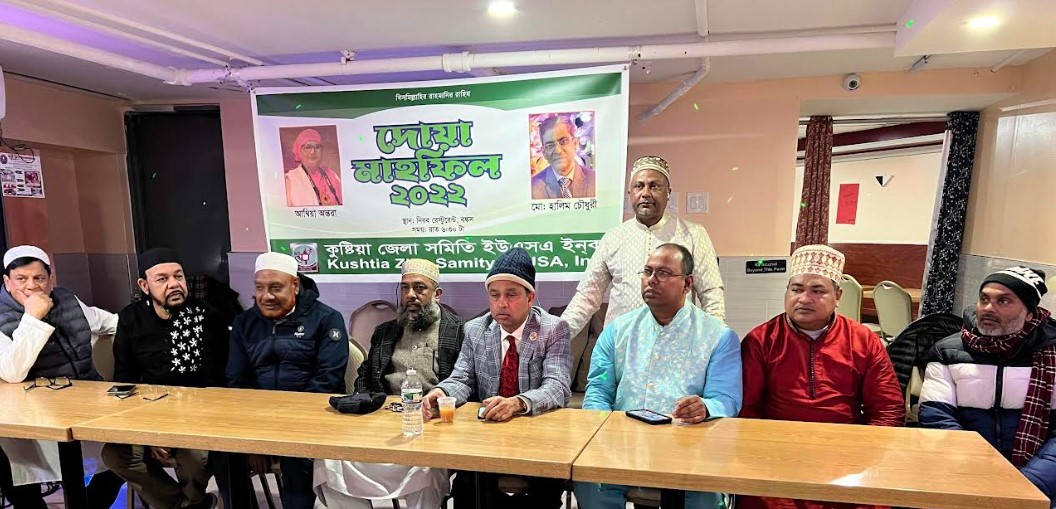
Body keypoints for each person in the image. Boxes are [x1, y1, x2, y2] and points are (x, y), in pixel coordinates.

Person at [574, 243, 742, 509]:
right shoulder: (617, 331)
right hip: (623, 443)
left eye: (663, 273)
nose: (651, 280)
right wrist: (601, 430)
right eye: (647, 271)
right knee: (589, 479)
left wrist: (705, 407)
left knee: (704, 495)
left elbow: (726, 399)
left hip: (688, 447)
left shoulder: (718, 336)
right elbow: (598, 390)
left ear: (688, 284)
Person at [739, 244, 904, 509]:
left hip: (847, 455)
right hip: (777, 455)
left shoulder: (863, 340)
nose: (804, 299)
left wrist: (862, 458)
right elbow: (746, 412)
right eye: (796, 289)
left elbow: (888, 410)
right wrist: (767, 459)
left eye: (817, 291)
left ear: (837, 296)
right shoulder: (761, 340)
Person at [421, 247, 572, 509]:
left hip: (538, 435)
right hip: (487, 433)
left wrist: (518, 402)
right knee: (467, 489)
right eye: (495, 295)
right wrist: (442, 392)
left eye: (511, 294)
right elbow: (462, 378)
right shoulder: (476, 329)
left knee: (546, 489)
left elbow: (557, 386)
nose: (502, 303)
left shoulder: (553, 329)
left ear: (530, 297)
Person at [314, 259, 466, 508]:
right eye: (405, 288)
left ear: (437, 294)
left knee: (425, 468)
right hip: (383, 418)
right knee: (330, 460)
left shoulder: (458, 331)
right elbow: (365, 375)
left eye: (419, 288)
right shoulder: (385, 331)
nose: (410, 295)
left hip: (430, 422)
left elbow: (463, 381)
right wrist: (366, 404)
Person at [102, 248, 230, 509]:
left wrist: (183, 428)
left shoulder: (207, 316)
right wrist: (150, 432)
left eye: (178, 276)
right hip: (150, 412)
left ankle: (190, 502)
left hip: (199, 415)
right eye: (162, 279)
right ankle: (188, 505)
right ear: (144, 285)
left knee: (196, 458)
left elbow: (220, 382)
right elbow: (125, 381)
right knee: (115, 454)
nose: (174, 284)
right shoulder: (130, 318)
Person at [0, 245, 125, 509]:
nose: (31, 286)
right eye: (21, 279)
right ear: (7, 282)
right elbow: (12, 371)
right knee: (13, 469)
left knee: (127, 452)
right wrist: (33, 317)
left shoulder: (68, 300)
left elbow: (109, 322)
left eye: (39, 278)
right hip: (32, 416)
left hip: (88, 401)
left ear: (50, 280)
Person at [919, 267, 1056, 504]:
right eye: (984, 299)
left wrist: (1028, 485)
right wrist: (978, 475)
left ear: (1030, 314)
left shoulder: (1051, 356)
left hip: (1041, 482)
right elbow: (936, 417)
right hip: (964, 474)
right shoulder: (947, 352)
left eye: (1003, 301)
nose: (989, 308)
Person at [223, 252, 349, 509]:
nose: (266, 296)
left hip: (310, 418)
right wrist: (254, 438)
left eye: (275, 288)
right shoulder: (244, 323)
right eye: (260, 288)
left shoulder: (326, 319)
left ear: (295, 285)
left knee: (296, 457)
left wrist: (283, 431)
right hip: (259, 419)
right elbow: (237, 383)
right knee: (223, 453)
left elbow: (327, 381)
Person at [561, 155, 724, 338]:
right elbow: (587, 296)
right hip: (621, 343)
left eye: (654, 186)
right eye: (639, 186)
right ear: (630, 193)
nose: (646, 193)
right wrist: (556, 338)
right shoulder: (613, 238)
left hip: (676, 344)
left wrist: (716, 341)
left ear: (668, 192)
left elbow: (711, 293)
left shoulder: (693, 234)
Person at [530, 115, 596, 200]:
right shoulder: (532, 188)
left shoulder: (595, 180)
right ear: (544, 152)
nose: (557, 151)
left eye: (563, 141)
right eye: (550, 145)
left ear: (575, 143)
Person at [285, 127, 343, 207]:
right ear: (299, 151)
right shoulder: (291, 179)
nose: (313, 152)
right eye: (308, 147)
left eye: (317, 147)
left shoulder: (332, 175)